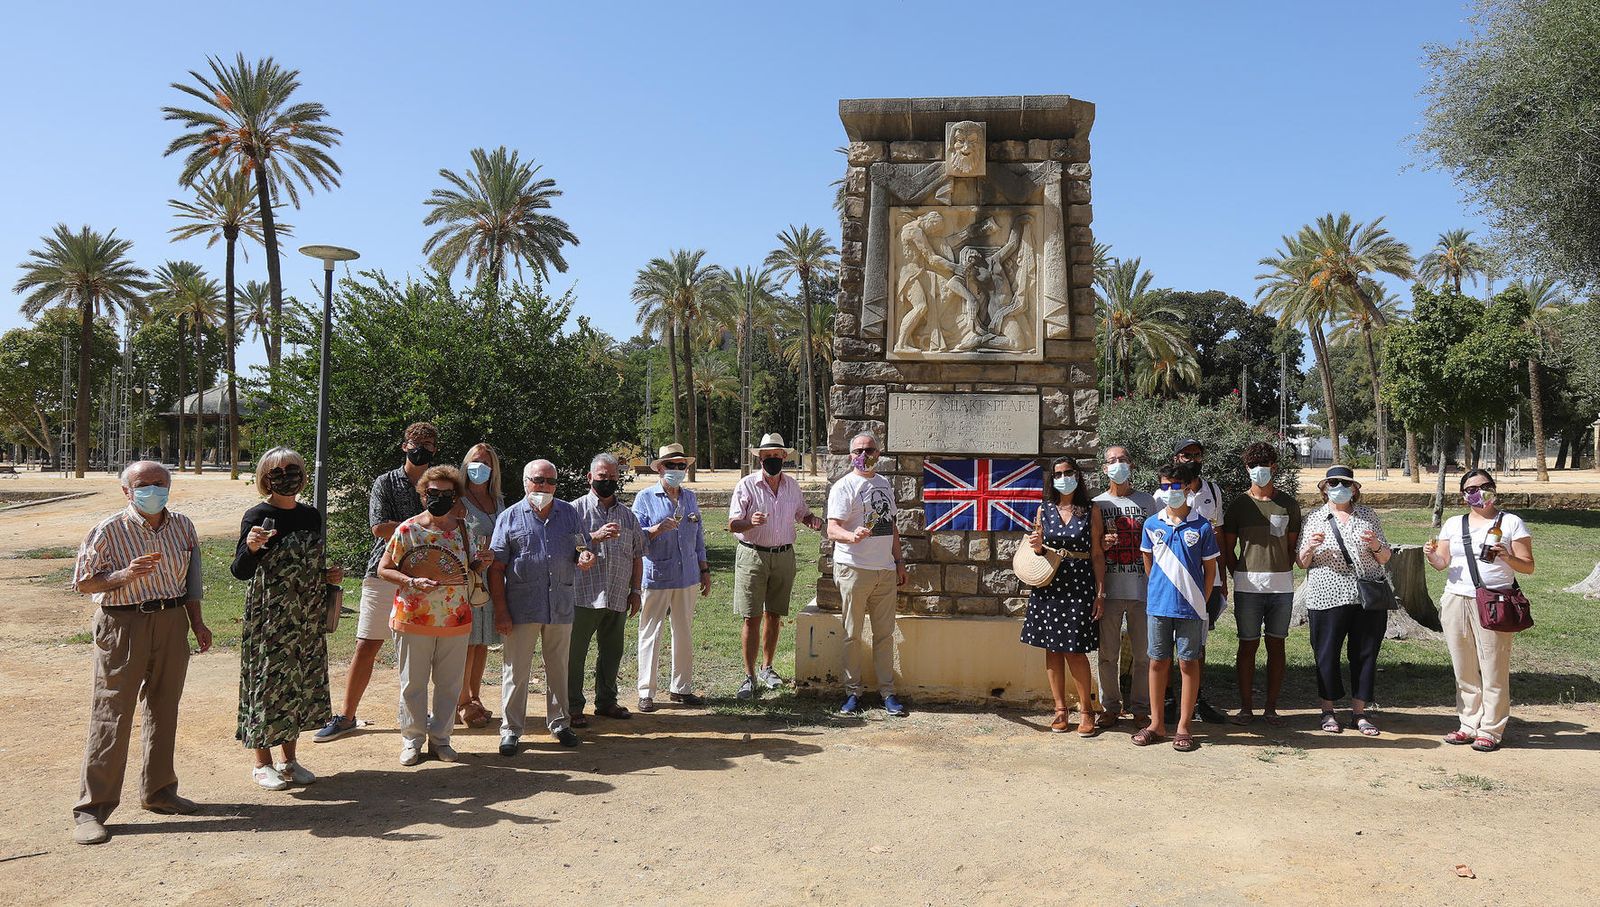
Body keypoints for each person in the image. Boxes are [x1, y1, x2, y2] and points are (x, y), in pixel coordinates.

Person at [70, 461, 212, 845]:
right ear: (127, 491)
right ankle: (92, 808)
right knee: (112, 713)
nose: (154, 490)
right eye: (144, 484)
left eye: (160, 483)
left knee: (165, 708)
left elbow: (191, 579)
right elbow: (84, 582)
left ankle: (159, 791)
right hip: (123, 624)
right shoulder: (109, 530)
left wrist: (197, 622)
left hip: (171, 620)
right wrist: (125, 575)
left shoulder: (182, 525)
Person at [231, 448, 344, 791]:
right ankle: (262, 763)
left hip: (306, 615)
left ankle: (289, 760)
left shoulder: (311, 516)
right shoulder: (257, 515)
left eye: (292, 469)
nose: (286, 476)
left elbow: (307, 563)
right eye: (277, 472)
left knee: (298, 685)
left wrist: (328, 576)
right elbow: (240, 571)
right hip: (271, 616)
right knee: (268, 685)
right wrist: (251, 548)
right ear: (265, 478)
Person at [316, 422, 433, 743]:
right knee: (367, 644)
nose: (422, 448)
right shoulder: (385, 482)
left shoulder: (437, 484)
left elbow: (449, 522)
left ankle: (420, 714)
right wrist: (422, 524)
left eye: (428, 444)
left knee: (419, 650)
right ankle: (346, 716)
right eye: (416, 442)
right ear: (404, 446)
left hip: (424, 574)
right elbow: (379, 527)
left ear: (435, 450)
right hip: (382, 572)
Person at [377, 464, 486, 765]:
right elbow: (383, 568)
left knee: (450, 684)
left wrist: (482, 562)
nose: (439, 498)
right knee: (413, 683)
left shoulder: (464, 529)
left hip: (456, 618)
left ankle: (441, 740)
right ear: (423, 495)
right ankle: (412, 741)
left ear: (456, 497)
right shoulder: (407, 529)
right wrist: (411, 581)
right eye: (433, 493)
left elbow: (471, 567)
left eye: (447, 494)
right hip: (413, 618)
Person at [1423, 468, 1535, 752]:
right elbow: (1442, 563)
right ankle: (1468, 724)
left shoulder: (1510, 523)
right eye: (1471, 489)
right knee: (1464, 668)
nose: (1479, 492)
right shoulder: (1453, 524)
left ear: (1494, 489)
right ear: (1464, 496)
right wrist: (1431, 555)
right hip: (1455, 600)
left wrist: (1507, 556)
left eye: (1485, 486)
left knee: (1493, 667)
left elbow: (1528, 566)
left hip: (1495, 601)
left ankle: (1491, 729)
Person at [491, 459, 597, 753]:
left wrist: (585, 556)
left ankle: (560, 723)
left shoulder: (569, 514)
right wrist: (501, 611)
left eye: (551, 481)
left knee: (558, 669)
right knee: (516, 671)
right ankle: (511, 729)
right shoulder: (510, 517)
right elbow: (497, 567)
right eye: (539, 480)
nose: (545, 487)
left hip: (560, 605)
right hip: (521, 607)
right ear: (525, 482)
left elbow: (581, 547)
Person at [728, 433, 825, 700]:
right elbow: (733, 524)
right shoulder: (746, 486)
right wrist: (750, 522)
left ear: (785, 457)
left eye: (777, 455)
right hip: (752, 556)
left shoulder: (792, 486)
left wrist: (812, 521)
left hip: (783, 556)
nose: (772, 460)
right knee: (751, 617)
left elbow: (802, 513)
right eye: (767, 456)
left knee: (774, 615)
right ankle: (748, 676)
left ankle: (767, 668)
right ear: (760, 458)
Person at [1296, 465, 1392, 736]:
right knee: (1326, 654)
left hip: (1366, 598)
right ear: (1324, 488)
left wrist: (1374, 543)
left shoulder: (1368, 516)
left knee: (1365, 654)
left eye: (1345, 483)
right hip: (1326, 596)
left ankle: (1359, 713)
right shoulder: (1314, 518)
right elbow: (1301, 562)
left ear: (1355, 488)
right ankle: (1328, 710)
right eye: (1333, 483)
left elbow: (1384, 557)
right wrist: (1310, 547)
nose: (1339, 488)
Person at [1132, 459, 1218, 753]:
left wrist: (1200, 599)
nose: (1170, 491)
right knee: (1157, 661)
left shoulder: (1202, 526)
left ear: (1188, 488)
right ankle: (1156, 724)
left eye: (1176, 486)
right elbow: (1149, 564)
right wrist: (1160, 590)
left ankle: (1184, 726)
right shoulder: (1152, 524)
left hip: (1191, 608)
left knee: (1188, 662)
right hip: (1158, 606)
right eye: (1165, 486)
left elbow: (1210, 570)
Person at [826, 433, 910, 717]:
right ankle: (853, 692)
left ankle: (887, 692)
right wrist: (852, 536)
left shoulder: (884, 484)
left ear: (878, 453)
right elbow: (832, 529)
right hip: (854, 569)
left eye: (870, 449)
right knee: (852, 634)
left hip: (884, 571)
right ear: (851, 456)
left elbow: (893, 526)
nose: (865, 454)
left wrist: (898, 561)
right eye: (859, 450)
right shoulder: (844, 486)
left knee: (884, 635)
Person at [1021, 456, 1106, 735]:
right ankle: (1060, 710)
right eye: (1058, 473)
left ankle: (1086, 710)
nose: (1064, 477)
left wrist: (1100, 591)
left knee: (1075, 650)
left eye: (1069, 472)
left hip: (1079, 585)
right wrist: (1036, 546)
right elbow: (1039, 548)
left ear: (1078, 476)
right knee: (1052, 648)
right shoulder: (1043, 509)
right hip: (1049, 584)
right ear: (1052, 479)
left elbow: (1096, 553)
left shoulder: (1090, 510)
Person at [1222, 442, 1301, 726]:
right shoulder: (1239, 505)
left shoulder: (1288, 504)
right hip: (1247, 589)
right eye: (1253, 466)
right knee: (1247, 646)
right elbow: (1228, 548)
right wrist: (1239, 574)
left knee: (1277, 646)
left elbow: (1292, 546)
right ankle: (1245, 708)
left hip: (1282, 588)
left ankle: (1271, 708)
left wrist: (1280, 567)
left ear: (1274, 468)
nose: (1258, 471)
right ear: (1247, 469)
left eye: (1264, 466)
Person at [632, 443, 711, 712]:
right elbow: (635, 537)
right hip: (657, 574)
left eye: (681, 466)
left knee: (684, 631)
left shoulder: (689, 498)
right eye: (671, 465)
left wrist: (704, 569)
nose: (676, 470)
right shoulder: (644, 498)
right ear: (660, 468)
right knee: (650, 632)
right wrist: (655, 529)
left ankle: (682, 688)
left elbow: (698, 536)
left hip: (687, 574)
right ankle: (646, 691)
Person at [569, 453, 641, 726]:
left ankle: (606, 701)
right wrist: (593, 538)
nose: (608, 481)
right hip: (582, 595)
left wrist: (635, 591)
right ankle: (573, 705)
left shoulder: (627, 515)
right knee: (575, 654)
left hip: (616, 593)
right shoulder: (573, 511)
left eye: (613, 477)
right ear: (590, 478)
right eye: (602, 477)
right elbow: (566, 548)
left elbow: (637, 556)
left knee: (612, 651)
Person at [1092, 445, 1158, 725]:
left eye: (1122, 460)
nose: (1117, 464)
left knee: (1144, 655)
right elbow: (1091, 549)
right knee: (1108, 655)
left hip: (1143, 590)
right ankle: (1110, 707)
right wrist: (1102, 545)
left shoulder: (1148, 502)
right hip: (1110, 590)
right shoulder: (1098, 504)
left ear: (1131, 465)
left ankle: (1141, 708)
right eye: (1112, 461)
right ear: (1104, 468)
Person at [1171, 438, 1228, 724]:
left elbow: (1218, 537)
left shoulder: (1213, 492)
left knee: (1198, 642)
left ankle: (1196, 699)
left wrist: (1222, 579)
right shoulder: (1165, 492)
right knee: (1167, 641)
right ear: (1176, 458)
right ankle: (1171, 699)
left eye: (1196, 454)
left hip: (1205, 580)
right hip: (1171, 581)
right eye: (1185, 455)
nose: (1191, 459)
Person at [456, 442, 504, 729]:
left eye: (485, 463)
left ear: (493, 469)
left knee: (483, 640)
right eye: (474, 462)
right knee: (467, 642)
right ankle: (461, 702)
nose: (479, 468)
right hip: (468, 579)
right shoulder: (458, 500)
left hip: (491, 579)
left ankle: (475, 697)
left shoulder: (498, 500)